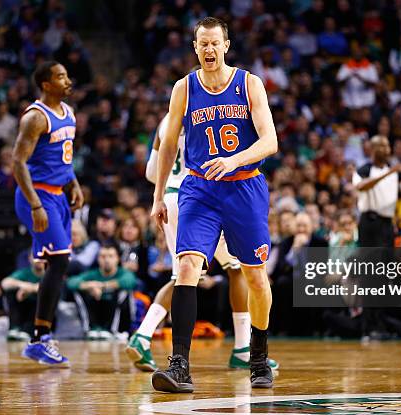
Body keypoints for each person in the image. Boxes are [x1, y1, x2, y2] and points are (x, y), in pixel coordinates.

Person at [150, 17, 278, 392]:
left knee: (255, 276)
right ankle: (179, 367)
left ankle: (257, 356)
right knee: (187, 267)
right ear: (195, 47)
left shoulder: (248, 83)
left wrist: (235, 159)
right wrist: (159, 196)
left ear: (226, 45)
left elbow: (270, 141)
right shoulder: (183, 88)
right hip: (199, 189)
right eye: (202, 43)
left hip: (244, 186)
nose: (208, 49)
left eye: (214, 43)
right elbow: (169, 145)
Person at [126, 111, 279, 372]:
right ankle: (242, 348)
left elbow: (152, 171)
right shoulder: (208, 116)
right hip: (198, 200)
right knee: (233, 270)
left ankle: (143, 335)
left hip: (171, 197)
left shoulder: (165, 120)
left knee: (185, 275)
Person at [12, 61, 84, 366]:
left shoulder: (69, 113)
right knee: (60, 261)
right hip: (37, 195)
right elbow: (17, 162)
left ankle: (41, 336)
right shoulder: (35, 117)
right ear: (45, 84)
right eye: (60, 77)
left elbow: (62, 160)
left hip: (58, 195)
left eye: (67, 75)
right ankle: (40, 338)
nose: (67, 81)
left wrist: (74, 183)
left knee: (57, 262)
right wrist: (35, 205)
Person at [67, 244, 139, 339]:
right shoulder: (93, 273)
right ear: (98, 259)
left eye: (110, 256)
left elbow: (130, 281)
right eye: (103, 256)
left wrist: (102, 286)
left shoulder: (123, 273)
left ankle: (114, 330)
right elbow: (71, 282)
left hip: (118, 313)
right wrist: (90, 286)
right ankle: (89, 329)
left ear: (117, 259)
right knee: (77, 291)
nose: (107, 260)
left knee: (124, 292)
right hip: (96, 308)